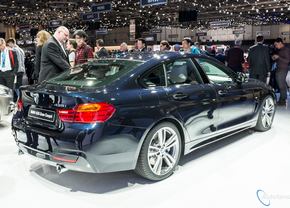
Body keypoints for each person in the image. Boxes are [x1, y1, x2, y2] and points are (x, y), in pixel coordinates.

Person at [272, 38, 290, 106]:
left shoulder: (286, 50)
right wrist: (275, 58)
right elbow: (281, 60)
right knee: (280, 86)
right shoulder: (280, 50)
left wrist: (278, 57)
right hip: (278, 69)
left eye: (276, 45)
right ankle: (281, 100)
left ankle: (283, 101)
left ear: (280, 42)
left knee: (282, 86)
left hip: (282, 70)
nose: (276, 46)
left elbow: (287, 60)